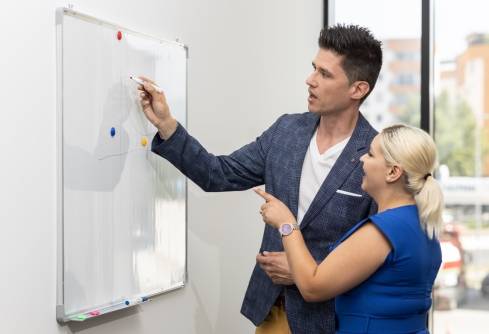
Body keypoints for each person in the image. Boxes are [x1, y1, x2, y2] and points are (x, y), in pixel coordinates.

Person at [137, 24, 382, 333]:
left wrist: (310, 274)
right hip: (271, 309)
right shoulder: (286, 131)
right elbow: (218, 174)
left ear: (358, 89)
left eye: (325, 74)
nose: (310, 80)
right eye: (313, 69)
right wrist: (167, 126)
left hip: (332, 321)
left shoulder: (377, 157)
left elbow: (380, 262)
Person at [255, 124, 443, 334]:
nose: (362, 159)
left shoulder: (381, 232)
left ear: (392, 172)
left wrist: (286, 224)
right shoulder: (422, 225)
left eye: (371, 155)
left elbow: (312, 287)